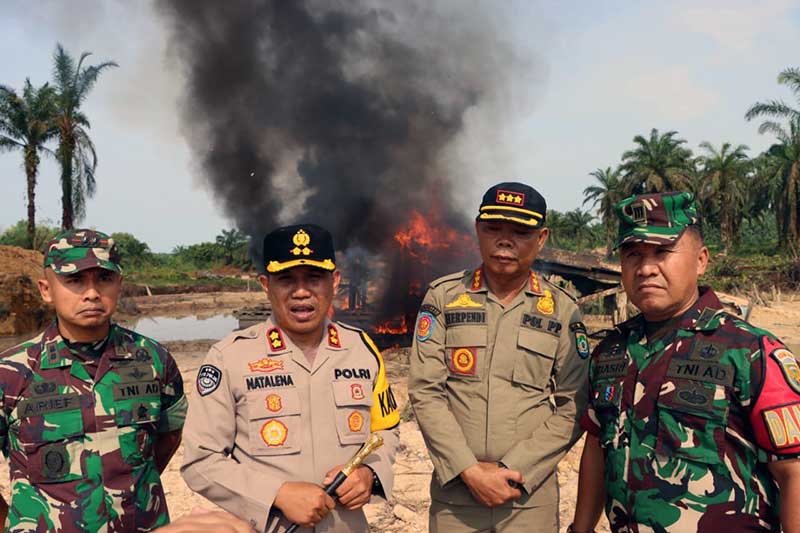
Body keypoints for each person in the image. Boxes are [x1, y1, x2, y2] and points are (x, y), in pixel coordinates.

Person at [570, 191, 800, 533]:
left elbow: (794, 471)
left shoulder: (749, 350)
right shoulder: (612, 351)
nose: (646, 268)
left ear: (701, 260)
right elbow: (596, 448)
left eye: (662, 252)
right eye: (633, 254)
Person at [182, 224, 400, 532]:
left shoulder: (362, 351)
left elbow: (386, 430)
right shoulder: (229, 357)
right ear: (265, 284)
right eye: (286, 279)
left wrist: (369, 474)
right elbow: (200, 461)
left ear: (334, 281)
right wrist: (276, 495)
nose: (301, 292)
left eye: (314, 278)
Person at [408, 182, 589, 532]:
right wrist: (469, 470)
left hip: (527, 499)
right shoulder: (444, 297)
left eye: (520, 232)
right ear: (478, 230)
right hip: (456, 497)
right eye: (493, 229)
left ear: (541, 238)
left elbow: (574, 404)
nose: (505, 241)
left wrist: (515, 467)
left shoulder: (562, 311)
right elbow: (425, 391)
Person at [0, 229, 187, 531]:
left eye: (104, 278)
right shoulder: (11, 372)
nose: (91, 293)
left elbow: (168, 437)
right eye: (74, 280)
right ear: (46, 290)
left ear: (119, 285)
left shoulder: (154, 360)